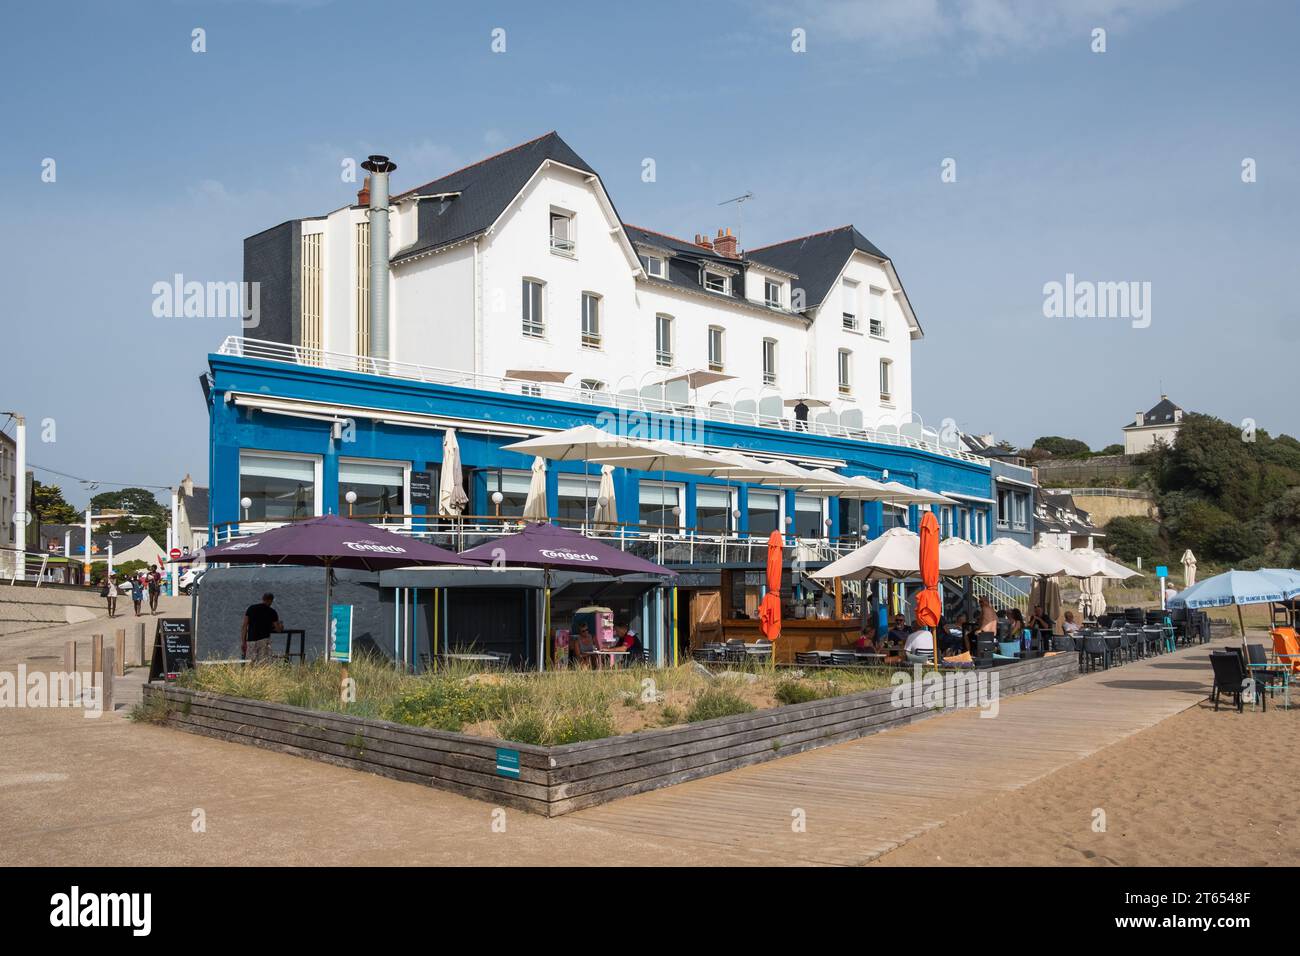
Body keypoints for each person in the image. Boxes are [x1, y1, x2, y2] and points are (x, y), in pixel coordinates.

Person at [241, 592, 283, 663]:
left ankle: (250, 674)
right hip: (264, 640)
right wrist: (280, 626)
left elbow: (244, 626)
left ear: (263, 599)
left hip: (251, 640)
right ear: (271, 600)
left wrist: (243, 642)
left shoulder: (251, 608)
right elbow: (278, 629)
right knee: (263, 664)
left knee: (250, 663)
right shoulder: (272, 612)